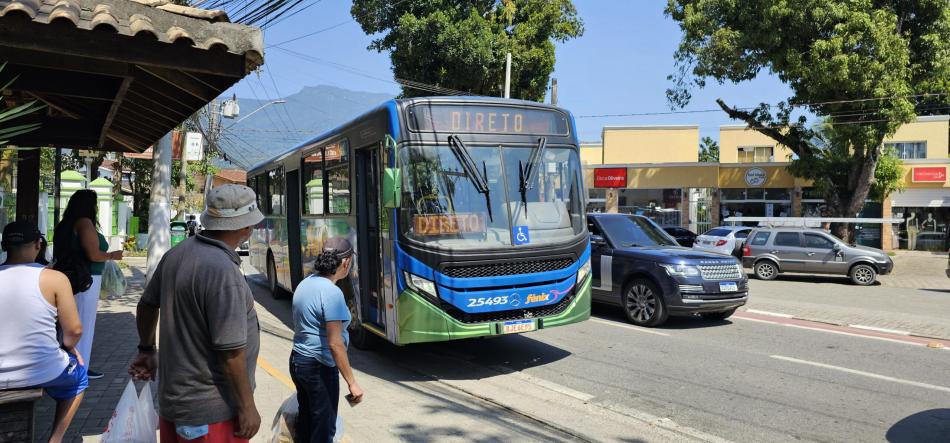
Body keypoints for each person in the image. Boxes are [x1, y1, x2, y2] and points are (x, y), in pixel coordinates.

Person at [130, 184, 263, 442]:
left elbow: (146, 305)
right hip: (212, 414)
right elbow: (230, 351)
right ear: (244, 227)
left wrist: (146, 349)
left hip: (176, 407)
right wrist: (247, 406)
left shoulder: (177, 254)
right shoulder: (223, 272)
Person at [0, 221, 88, 443]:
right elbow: (74, 329)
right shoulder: (55, 278)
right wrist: (69, 348)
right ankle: (55, 439)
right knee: (79, 379)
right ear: (39, 244)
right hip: (42, 369)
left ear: (4, 246)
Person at [290, 237, 364, 443]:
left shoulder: (306, 283)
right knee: (323, 429)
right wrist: (352, 383)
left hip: (298, 361)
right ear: (347, 262)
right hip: (318, 367)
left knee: (306, 423)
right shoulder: (332, 293)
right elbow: (335, 343)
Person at [53, 189, 123, 380]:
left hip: (68, 277)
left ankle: (65, 363)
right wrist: (112, 255)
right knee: (83, 323)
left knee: (65, 323)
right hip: (86, 280)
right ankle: (79, 366)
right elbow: (94, 254)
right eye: (94, 203)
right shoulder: (84, 223)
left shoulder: (65, 225)